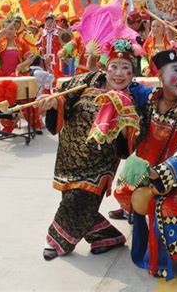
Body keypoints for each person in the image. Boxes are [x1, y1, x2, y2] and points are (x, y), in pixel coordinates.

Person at [38, 39, 138, 261]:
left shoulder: (131, 98)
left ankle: (56, 241)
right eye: (114, 66)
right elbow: (63, 98)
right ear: (106, 67)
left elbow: (129, 142)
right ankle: (107, 236)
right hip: (70, 156)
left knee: (76, 200)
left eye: (126, 69)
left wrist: (125, 123)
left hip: (100, 164)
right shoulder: (86, 81)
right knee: (78, 204)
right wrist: (54, 103)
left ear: (132, 74)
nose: (119, 74)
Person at [119, 48, 177, 280]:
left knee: (166, 208)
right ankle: (150, 244)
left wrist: (158, 173)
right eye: (176, 70)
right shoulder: (150, 97)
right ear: (160, 75)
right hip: (151, 173)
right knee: (123, 190)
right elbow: (125, 85)